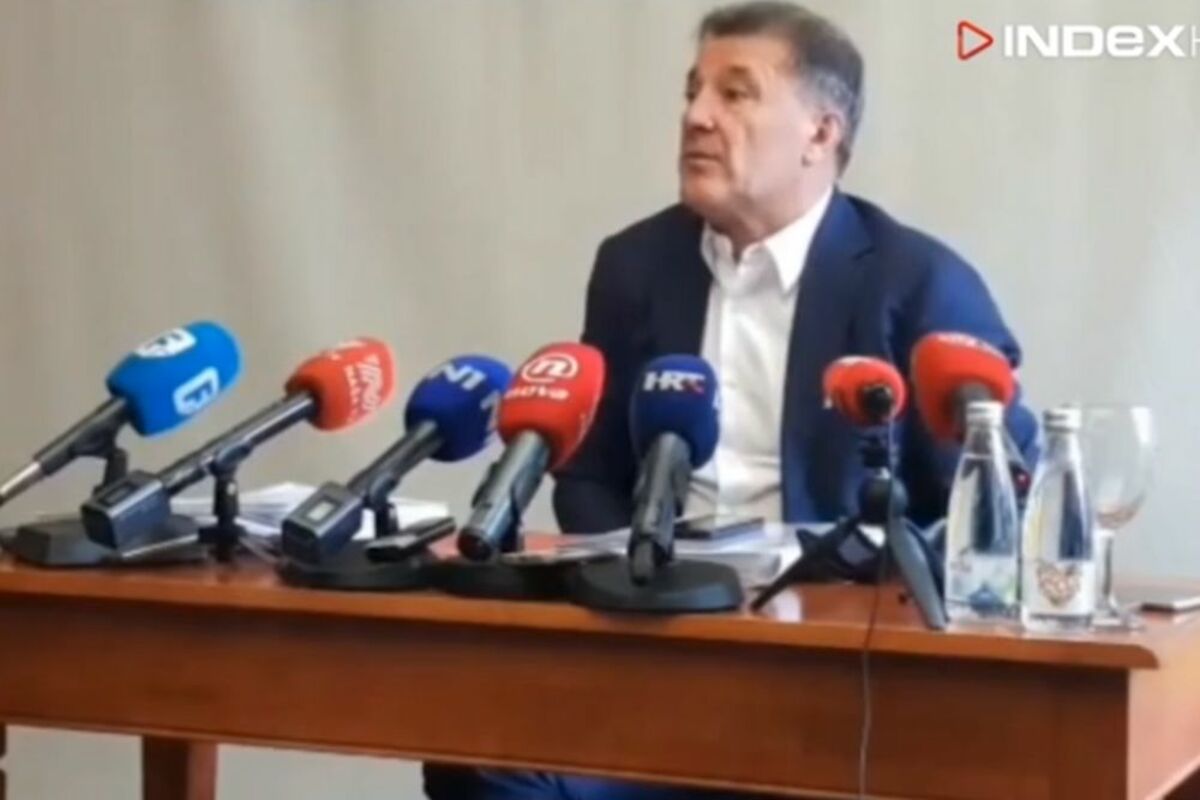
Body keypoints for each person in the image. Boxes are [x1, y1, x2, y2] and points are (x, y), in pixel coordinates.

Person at [425, 2, 1036, 798]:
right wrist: (637, 577)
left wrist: (847, 587)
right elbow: (589, 471)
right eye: (693, 92)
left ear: (821, 133)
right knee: (480, 751)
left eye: (735, 93)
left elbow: (993, 507)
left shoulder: (918, 282)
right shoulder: (636, 266)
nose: (697, 116)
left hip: (843, 679)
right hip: (658, 643)